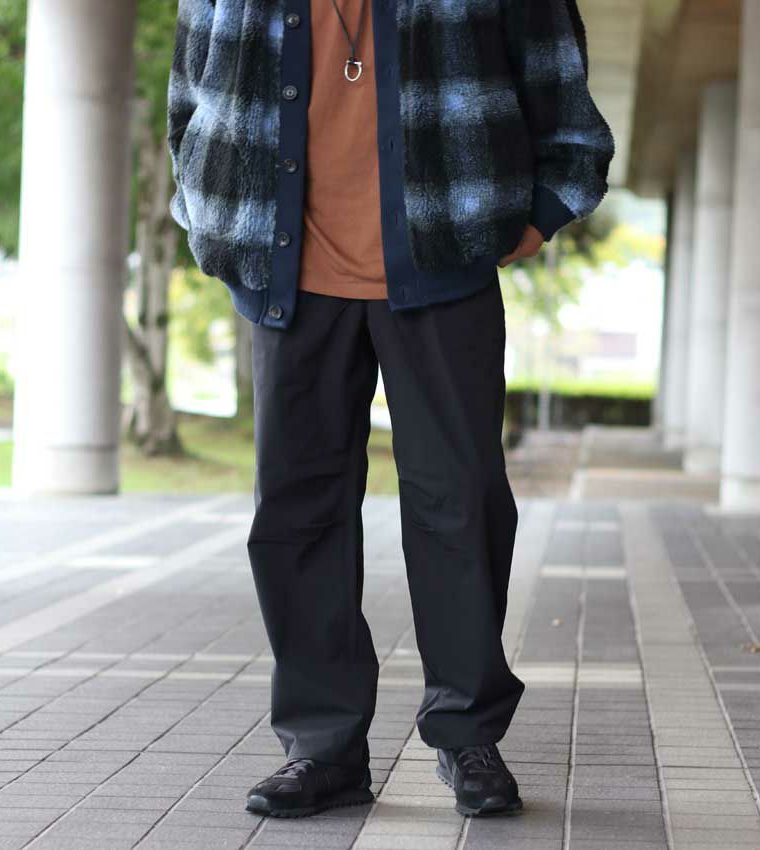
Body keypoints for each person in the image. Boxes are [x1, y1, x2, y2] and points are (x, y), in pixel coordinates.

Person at [167, 0, 614, 819]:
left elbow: (558, 81)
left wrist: (544, 210)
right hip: (286, 273)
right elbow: (190, 96)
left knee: (462, 502)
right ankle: (323, 747)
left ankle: (468, 735)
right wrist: (207, 211)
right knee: (296, 512)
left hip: (443, 261)